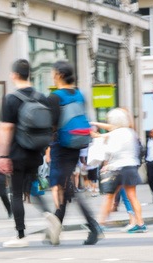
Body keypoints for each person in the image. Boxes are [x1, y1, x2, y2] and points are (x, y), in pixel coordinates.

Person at [0, 59, 60, 248]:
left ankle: (21, 235)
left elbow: (6, 129)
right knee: (32, 187)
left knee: (15, 193)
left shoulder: (11, 98)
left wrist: (2, 156)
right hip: (35, 152)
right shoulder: (42, 97)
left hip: (17, 153)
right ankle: (49, 215)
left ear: (14, 75)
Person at [47, 60, 103, 245]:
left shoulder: (55, 97)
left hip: (60, 146)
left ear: (60, 75)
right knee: (65, 187)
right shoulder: (80, 94)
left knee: (66, 188)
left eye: (54, 73)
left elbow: (51, 125)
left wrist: (47, 148)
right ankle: (55, 230)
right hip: (76, 145)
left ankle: (93, 226)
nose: (52, 77)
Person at [91, 108, 147, 233]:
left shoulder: (115, 134)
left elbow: (110, 150)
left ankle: (100, 223)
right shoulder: (130, 132)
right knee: (132, 196)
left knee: (109, 196)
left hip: (118, 168)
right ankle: (140, 223)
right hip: (131, 166)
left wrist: (105, 161)